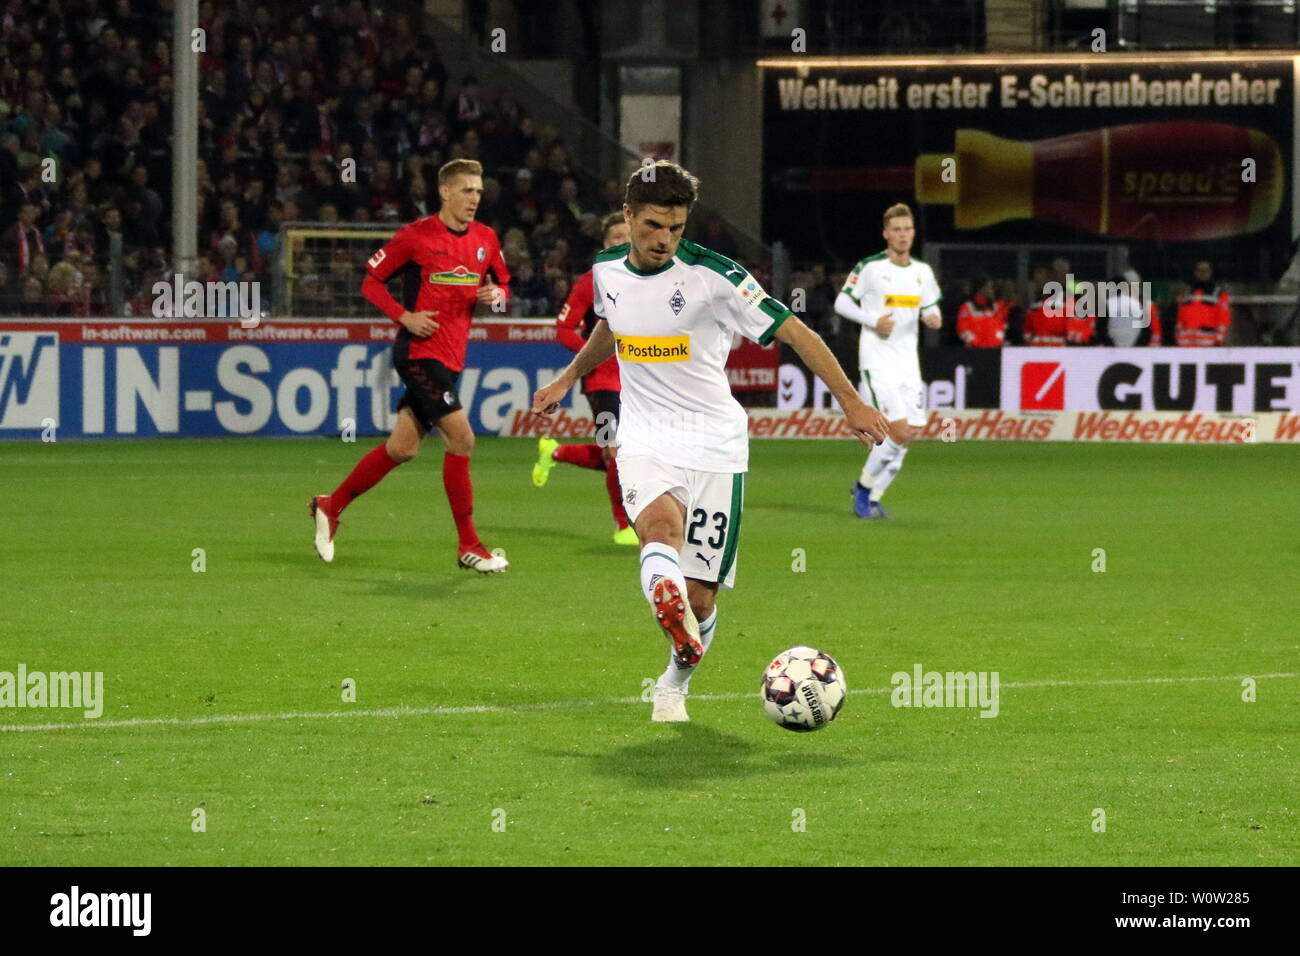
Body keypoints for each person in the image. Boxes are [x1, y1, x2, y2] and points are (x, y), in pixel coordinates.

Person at [530, 162, 888, 723]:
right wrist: (569, 376)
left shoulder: (717, 277)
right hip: (645, 436)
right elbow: (610, 325)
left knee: (701, 600)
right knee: (659, 529)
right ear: (627, 217)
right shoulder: (606, 271)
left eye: (675, 227)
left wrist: (849, 400)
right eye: (652, 225)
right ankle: (665, 603)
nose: (664, 239)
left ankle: (673, 681)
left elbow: (796, 331)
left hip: (716, 446)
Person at [310, 158, 512, 573]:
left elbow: (504, 285)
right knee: (463, 439)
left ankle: (331, 505)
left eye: (479, 190)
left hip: (453, 357)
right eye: (467, 190)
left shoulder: (486, 239)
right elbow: (370, 281)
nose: (475, 198)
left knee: (402, 448)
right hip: (419, 353)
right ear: (445, 192)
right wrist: (404, 317)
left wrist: (495, 296)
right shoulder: (415, 237)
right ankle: (469, 545)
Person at [531, 211, 637, 546]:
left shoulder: (648, 280)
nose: (622, 242)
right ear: (605, 246)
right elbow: (562, 329)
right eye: (615, 238)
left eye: (626, 236)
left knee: (624, 453)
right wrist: (597, 355)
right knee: (616, 452)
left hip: (640, 382)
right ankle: (624, 526)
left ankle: (556, 453)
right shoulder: (592, 280)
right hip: (602, 383)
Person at [834, 203, 942, 519]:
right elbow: (842, 302)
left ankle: (873, 495)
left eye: (907, 229)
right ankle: (864, 489)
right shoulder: (870, 267)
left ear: (913, 233)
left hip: (909, 363)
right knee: (900, 431)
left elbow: (930, 308)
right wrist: (872, 319)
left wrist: (933, 317)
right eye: (896, 230)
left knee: (906, 437)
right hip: (877, 361)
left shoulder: (923, 272)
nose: (902, 235)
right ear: (886, 233)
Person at [1175, 260, 1231, 347]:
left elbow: (1223, 319)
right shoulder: (1186, 292)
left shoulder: (1219, 293)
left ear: (1211, 272)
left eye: (1206, 270)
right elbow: (1180, 318)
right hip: (1185, 343)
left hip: (1208, 343)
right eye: (1199, 270)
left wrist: (1218, 340)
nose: (1202, 273)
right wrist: (1179, 338)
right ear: (1195, 273)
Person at [956, 273, 1007, 348]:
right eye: (989, 287)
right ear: (980, 289)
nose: (992, 290)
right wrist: (977, 343)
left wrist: (996, 342)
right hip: (973, 350)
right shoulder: (967, 307)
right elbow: (962, 330)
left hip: (994, 349)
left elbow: (1002, 327)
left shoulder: (997, 307)